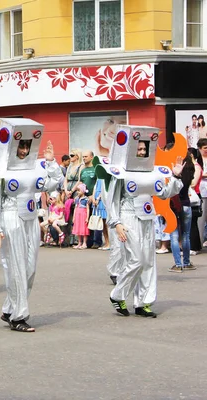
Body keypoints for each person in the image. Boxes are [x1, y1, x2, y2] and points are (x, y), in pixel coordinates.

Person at [0, 118, 62, 333]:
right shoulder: (1, 169)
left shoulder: (35, 167)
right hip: (11, 218)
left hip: (31, 219)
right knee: (16, 267)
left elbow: (54, 183)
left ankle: (9, 308)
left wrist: (51, 162)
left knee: (30, 268)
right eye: (20, 145)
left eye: (27, 145)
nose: (24, 150)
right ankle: (18, 316)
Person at [96, 127, 184, 318]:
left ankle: (143, 303)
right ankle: (118, 295)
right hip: (128, 218)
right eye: (139, 149)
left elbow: (165, 193)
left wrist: (175, 177)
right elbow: (112, 199)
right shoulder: (121, 171)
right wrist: (116, 223)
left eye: (144, 149)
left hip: (147, 217)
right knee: (136, 260)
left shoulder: (152, 172)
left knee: (148, 262)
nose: (142, 152)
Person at [169, 151, 196, 272]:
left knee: (174, 235)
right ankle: (186, 262)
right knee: (186, 235)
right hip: (186, 203)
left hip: (173, 205)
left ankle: (178, 264)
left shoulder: (173, 170)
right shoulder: (190, 170)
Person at [72, 184, 90, 249]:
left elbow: (88, 209)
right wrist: (74, 217)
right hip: (77, 215)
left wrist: (87, 218)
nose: (78, 192)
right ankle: (79, 242)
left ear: (83, 191)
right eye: (77, 191)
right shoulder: (76, 199)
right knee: (78, 228)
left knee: (83, 228)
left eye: (79, 190)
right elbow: (75, 208)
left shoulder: (86, 199)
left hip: (83, 215)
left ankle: (84, 243)